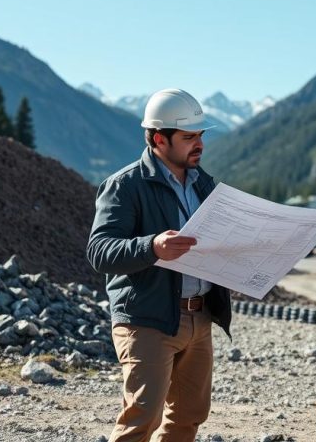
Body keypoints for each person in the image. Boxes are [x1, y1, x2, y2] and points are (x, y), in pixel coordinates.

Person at [86, 88, 232, 442]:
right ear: (157, 139)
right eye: (188, 137)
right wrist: (152, 247)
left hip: (199, 318)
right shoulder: (125, 186)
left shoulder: (205, 185)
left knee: (188, 417)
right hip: (147, 319)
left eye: (200, 135)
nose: (199, 144)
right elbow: (99, 251)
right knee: (141, 419)